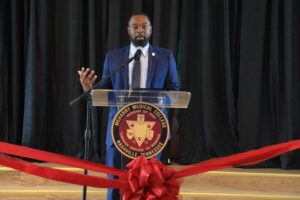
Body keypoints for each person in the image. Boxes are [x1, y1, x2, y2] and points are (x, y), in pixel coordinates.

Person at [78, 13, 179, 200]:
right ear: (128, 30)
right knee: (115, 180)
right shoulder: (114, 57)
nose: (140, 30)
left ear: (151, 29)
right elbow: (104, 91)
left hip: (153, 130)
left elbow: (174, 90)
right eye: (135, 26)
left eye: (144, 26)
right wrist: (89, 89)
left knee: (151, 182)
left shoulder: (165, 57)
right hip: (118, 131)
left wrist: (158, 100)